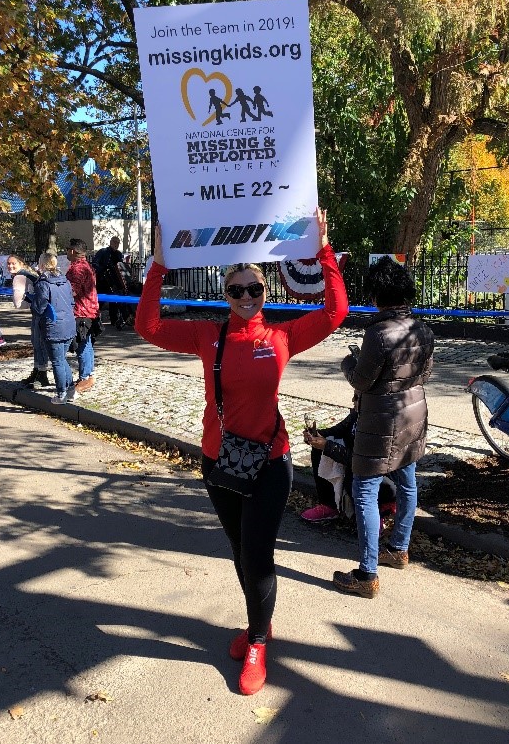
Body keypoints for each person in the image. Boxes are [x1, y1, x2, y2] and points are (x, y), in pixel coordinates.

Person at [135, 208, 348, 695]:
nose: (246, 297)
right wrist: (160, 265)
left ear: (266, 294)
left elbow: (336, 312)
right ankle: (260, 617)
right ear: (225, 295)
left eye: (254, 289)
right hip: (220, 460)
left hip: (271, 463)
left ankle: (256, 640)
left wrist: (322, 249)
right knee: (238, 550)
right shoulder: (208, 335)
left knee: (258, 555)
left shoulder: (283, 336)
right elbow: (146, 326)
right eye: (236, 290)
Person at [333, 256, 434, 599]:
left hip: (380, 421)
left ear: (377, 294)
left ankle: (366, 574)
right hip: (413, 414)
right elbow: (425, 373)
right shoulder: (423, 328)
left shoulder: (377, 333)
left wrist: (349, 361)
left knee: (364, 491)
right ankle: (399, 548)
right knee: (407, 482)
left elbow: (362, 381)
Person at [301, 392, 397, 527]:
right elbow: (336, 431)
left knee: (353, 470)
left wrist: (327, 446)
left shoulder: (379, 425)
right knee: (320, 448)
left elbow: (362, 461)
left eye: (357, 397)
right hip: (357, 468)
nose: (352, 400)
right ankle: (329, 505)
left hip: (380, 479)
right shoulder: (357, 415)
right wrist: (316, 435)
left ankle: (378, 514)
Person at [30, 253, 77, 405]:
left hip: (53, 326)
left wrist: (31, 302)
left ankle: (61, 393)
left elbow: (39, 307)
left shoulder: (43, 283)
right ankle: (70, 390)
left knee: (57, 361)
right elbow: (71, 302)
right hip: (69, 324)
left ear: (42, 265)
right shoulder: (65, 280)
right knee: (62, 359)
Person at [6, 255, 51, 388]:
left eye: (13, 263)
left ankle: (42, 375)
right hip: (40, 311)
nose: (10, 266)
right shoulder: (28, 273)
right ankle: (37, 371)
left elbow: (18, 305)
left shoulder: (20, 277)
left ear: (21, 263)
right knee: (36, 342)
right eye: (8, 264)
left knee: (39, 343)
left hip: (41, 312)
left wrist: (29, 302)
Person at [66, 238, 99, 392]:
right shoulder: (88, 266)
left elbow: (72, 291)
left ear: (73, 251)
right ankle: (89, 375)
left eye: (67, 249)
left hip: (81, 311)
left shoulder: (77, 269)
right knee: (88, 345)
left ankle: (85, 377)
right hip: (91, 311)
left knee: (82, 345)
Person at [92, 237, 130, 329]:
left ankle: (114, 320)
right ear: (111, 242)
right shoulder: (103, 252)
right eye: (115, 242)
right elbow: (95, 264)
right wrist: (103, 270)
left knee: (114, 301)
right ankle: (94, 320)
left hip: (114, 281)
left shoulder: (118, 254)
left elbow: (120, 266)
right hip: (103, 281)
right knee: (99, 302)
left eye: (118, 243)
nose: (116, 244)